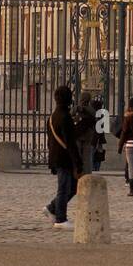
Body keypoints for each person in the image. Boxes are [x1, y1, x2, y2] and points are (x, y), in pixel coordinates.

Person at [45, 85, 83, 227]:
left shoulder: (52, 117)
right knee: (64, 188)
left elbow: (50, 141)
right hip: (64, 157)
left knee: (72, 187)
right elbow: (70, 143)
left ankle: (52, 207)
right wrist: (78, 163)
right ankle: (60, 219)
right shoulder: (65, 117)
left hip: (56, 156)